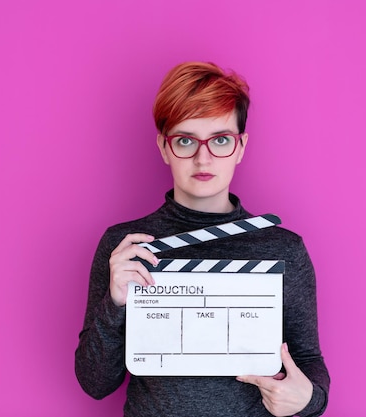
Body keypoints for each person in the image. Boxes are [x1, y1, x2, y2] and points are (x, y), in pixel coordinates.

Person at [75, 62, 330, 417]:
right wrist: (114, 304)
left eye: (221, 139)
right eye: (184, 140)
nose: (203, 157)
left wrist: (309, 400)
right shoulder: (126, 247)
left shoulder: (283, 250)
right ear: (164, 148)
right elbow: (95, 383)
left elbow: (308, 361)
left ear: (241, 147)